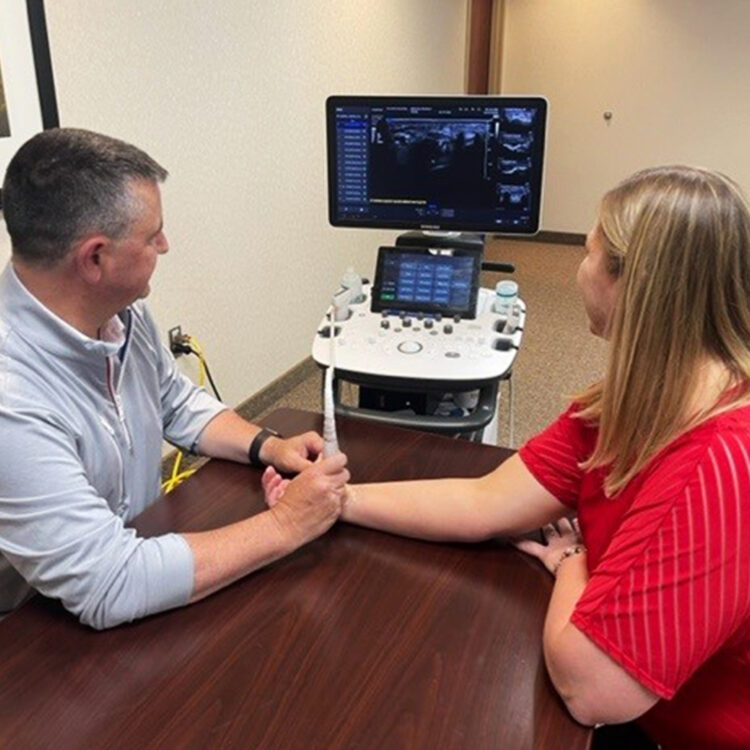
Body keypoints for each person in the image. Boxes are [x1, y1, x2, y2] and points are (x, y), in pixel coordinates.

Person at [265, 165, 750, 748]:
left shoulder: (719, 465)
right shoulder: (633, 406)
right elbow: (484, 502)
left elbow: (593, 690)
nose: (578, 269)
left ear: (634, 286)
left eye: (589, 252)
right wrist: (334, 500)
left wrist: (574, 558)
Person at [0, 127, 349, 630]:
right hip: (37, 632)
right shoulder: (13, 394)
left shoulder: (120, 311)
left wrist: (270, 447)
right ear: (95, 257)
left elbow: (175, 401)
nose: (165, 245)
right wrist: (287, 524)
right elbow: (109, 582)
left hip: (138, 564)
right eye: (152, 235)